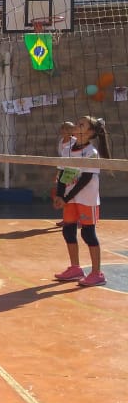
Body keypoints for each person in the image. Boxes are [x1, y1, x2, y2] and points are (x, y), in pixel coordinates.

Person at [52, 116, 111, 287]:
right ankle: (75, 268)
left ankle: (97, 273)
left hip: (87, 198)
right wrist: (59, 195)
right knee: (68, 231)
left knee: (88, 234)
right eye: (77, 123)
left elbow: (85, 179)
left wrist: (66, 198)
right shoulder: (67, 149)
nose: (77, 126)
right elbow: (62, 174)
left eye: (81, 125)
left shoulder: (91, 152)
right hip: (69, 198)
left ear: (90, 132)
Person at [53, 121, 76, 227]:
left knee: (73, 195)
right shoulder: (61, 142)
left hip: (73, 171)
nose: (65, 130)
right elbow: (61, 158)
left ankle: (77, 219)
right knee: (63, 195)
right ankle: (66, 219)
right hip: (63, 171)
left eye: (69, 128)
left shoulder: (75, 141)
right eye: (64, 128)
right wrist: (58, 173)